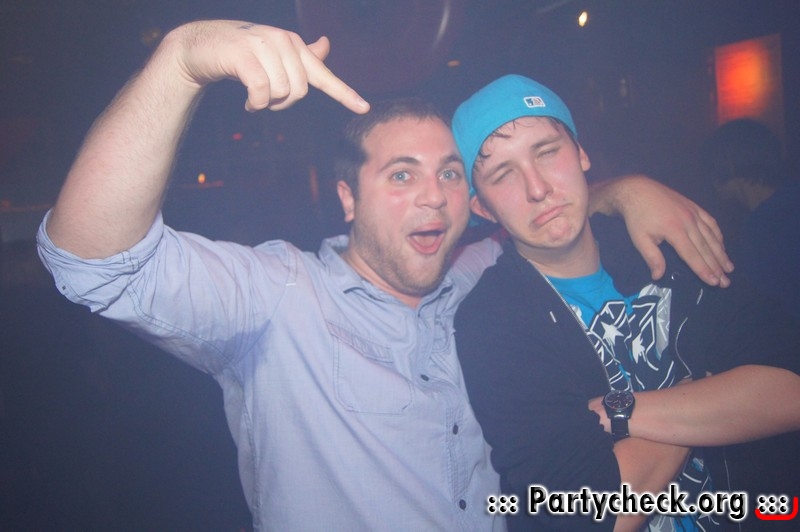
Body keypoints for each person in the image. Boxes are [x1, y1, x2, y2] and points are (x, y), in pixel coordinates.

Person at [36, 21, 732, 530]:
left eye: (450, 175)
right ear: (348, 197)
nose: (434, 198)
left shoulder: (482, 275)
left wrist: (625, 190)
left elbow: (542, 212)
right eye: (402, 175)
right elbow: (93, 261)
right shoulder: (280, 296)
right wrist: (181, 61)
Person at [452, 75, 800, 530]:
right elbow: (594, 516)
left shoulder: (671, 248)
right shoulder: (492, 322)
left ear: (581, 155)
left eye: (547, 152)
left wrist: (617, 410)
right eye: (503, 174)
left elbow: (790, 387)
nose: (537, 188)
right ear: (483, 208)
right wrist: (707, 391)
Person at [701, 118, 800, 321]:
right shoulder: (773, 213)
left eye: (712, 165)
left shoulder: (766, 227)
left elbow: (771, 311)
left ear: (728, 163)